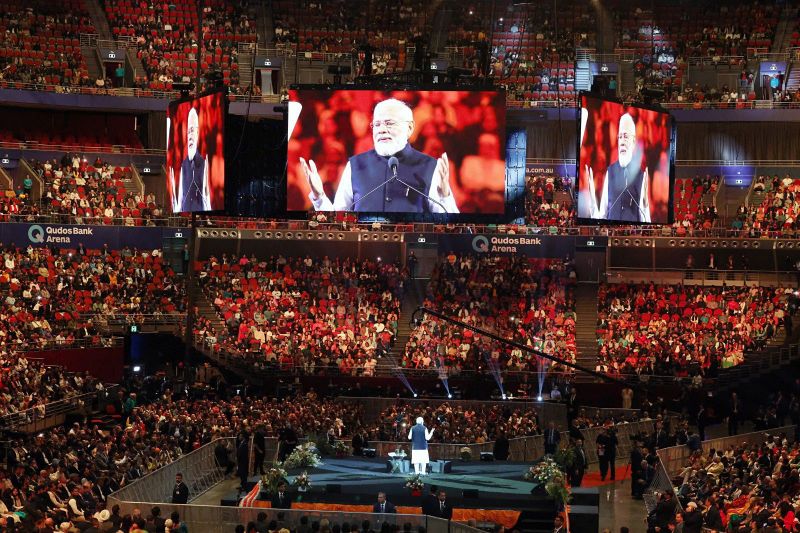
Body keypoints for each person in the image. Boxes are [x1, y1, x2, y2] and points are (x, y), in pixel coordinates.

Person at [300, 98, 459, 213]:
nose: (381, 129)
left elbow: (449, 228)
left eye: (389, 123)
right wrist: (319, 196)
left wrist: (445, 196)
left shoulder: (430, 166)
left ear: (409, 128)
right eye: (376, 124)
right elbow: (338, 222)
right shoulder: (355, 165)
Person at [584, 113, 651, 222]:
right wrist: (591, 196)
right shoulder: (610, 172)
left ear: (634, 141)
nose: (622, 142)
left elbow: (646, 223)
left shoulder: (641, 176)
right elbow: (602, 217)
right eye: (620, 137)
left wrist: (645, 204)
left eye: (625, 136)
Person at [169, 107, 211, 212]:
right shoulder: (183, 164)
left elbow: (207, 195)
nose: (190, 136)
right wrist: (176, 207)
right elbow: (180, 198)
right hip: (186, 211)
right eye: (188, 131)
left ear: (197, 132)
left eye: (192, 130)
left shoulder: (204, 163)